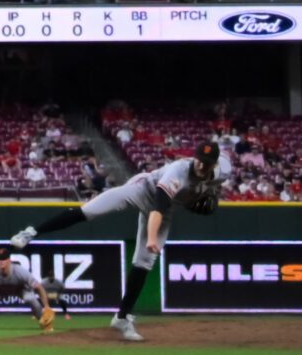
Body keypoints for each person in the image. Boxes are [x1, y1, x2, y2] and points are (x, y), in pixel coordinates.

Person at [11, 139, 228, 342]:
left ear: (214, 163)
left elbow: (215, 177)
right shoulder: (178, 172)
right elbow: (158, 208)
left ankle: (122, 318)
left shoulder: (222, 170)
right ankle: (30, 233)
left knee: (144, 263)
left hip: (168, 209)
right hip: (143, 190)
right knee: (90, 211)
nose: (201, 165)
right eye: (199, 159)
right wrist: (151, 239)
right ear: (194, 157)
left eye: (206, 162)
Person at [0, 248, 57, 334]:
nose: (1, 262)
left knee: (31, 298)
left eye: (4, 259)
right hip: (0, 289)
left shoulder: (19, 271)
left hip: (20, 289)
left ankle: (45, 323)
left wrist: (47, 306)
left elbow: (39, 287)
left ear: (9, 260)